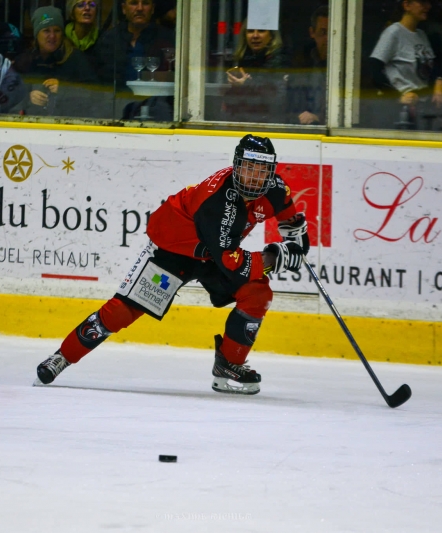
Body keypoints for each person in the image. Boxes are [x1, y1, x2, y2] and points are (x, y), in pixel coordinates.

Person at [35, 134, 309, 396]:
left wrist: (296, 240)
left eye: (261, 170)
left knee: (258, 293)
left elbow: (291, 225)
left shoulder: (275, 189)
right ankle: (62, 357)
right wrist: (276, 256)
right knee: (122, 312)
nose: (254, 177)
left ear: (271, 172)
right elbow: (232, 263)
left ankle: (229, 365)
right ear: (237, 166)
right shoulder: (216, 202)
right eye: (249, 168)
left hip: (213, 254)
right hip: (173, 249)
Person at [369, 0, 442, 129]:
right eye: (422, 3)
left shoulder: (421, 35)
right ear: (407, 5)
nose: (427, 6)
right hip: (401, 113)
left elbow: (433, 66)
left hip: (423, 108)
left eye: (428, 3)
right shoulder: (393, 32)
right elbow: (374, 68)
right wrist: (397, 97)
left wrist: (439, 81)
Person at [18, 6, 97, 116]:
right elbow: (9, 94)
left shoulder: (76, 59)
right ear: (37, 34)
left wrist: (65, 91)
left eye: (57, 30)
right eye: (46, 31)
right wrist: (27, 97)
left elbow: (95, 96)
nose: (52, 36)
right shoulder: (25, 60)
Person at [94, 0, 174, 86]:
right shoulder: (108, 39)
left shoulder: (167, 38)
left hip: (153, 96)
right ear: (124, 8)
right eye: (134, 3)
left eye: (145, 3)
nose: (140, 8)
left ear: (152, 9)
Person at [222, 25, 289, 123]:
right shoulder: (243, 59)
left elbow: (277, 100)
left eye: (261, 31)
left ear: (271, 35)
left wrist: (246, 84)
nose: (255, 35)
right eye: (250, 31)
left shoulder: (279, 60)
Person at [289, 6, 328, 126]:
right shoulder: (301, 64)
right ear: (312, 32)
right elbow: (289, 105)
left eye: (333, 33)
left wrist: (319, 119)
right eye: (323, 32)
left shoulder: (348, 67)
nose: (328, 39)